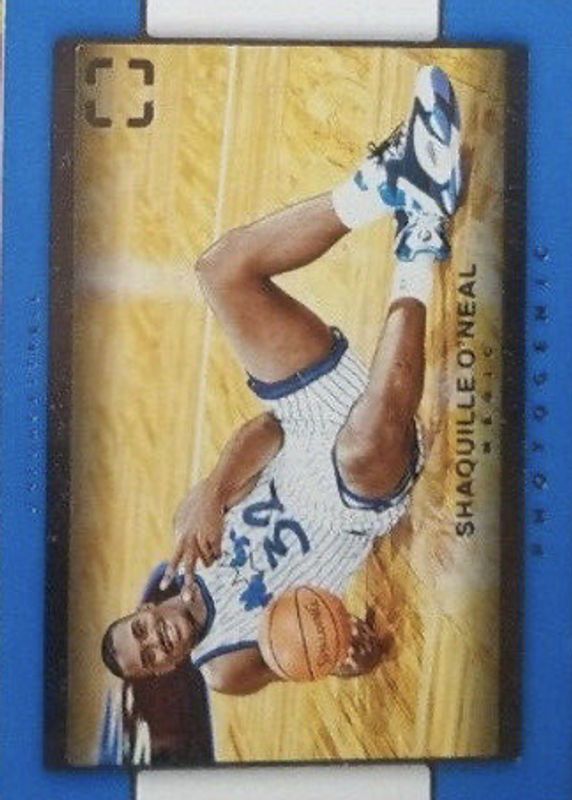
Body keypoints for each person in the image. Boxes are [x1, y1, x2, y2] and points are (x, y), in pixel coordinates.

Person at [101, 65, 462, 695]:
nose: (157, 640)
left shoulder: (190, 533)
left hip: (307, 424)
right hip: (357, 494)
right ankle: (421, 234)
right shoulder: (223, 665)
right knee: (360, 447)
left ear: (143, 610)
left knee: (219, 271)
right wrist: (349, 654)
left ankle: (388, 182)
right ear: (165, 669)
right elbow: (312, 655)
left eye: (141, 631)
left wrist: (213, 492)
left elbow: (268, 428)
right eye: (152, 657)